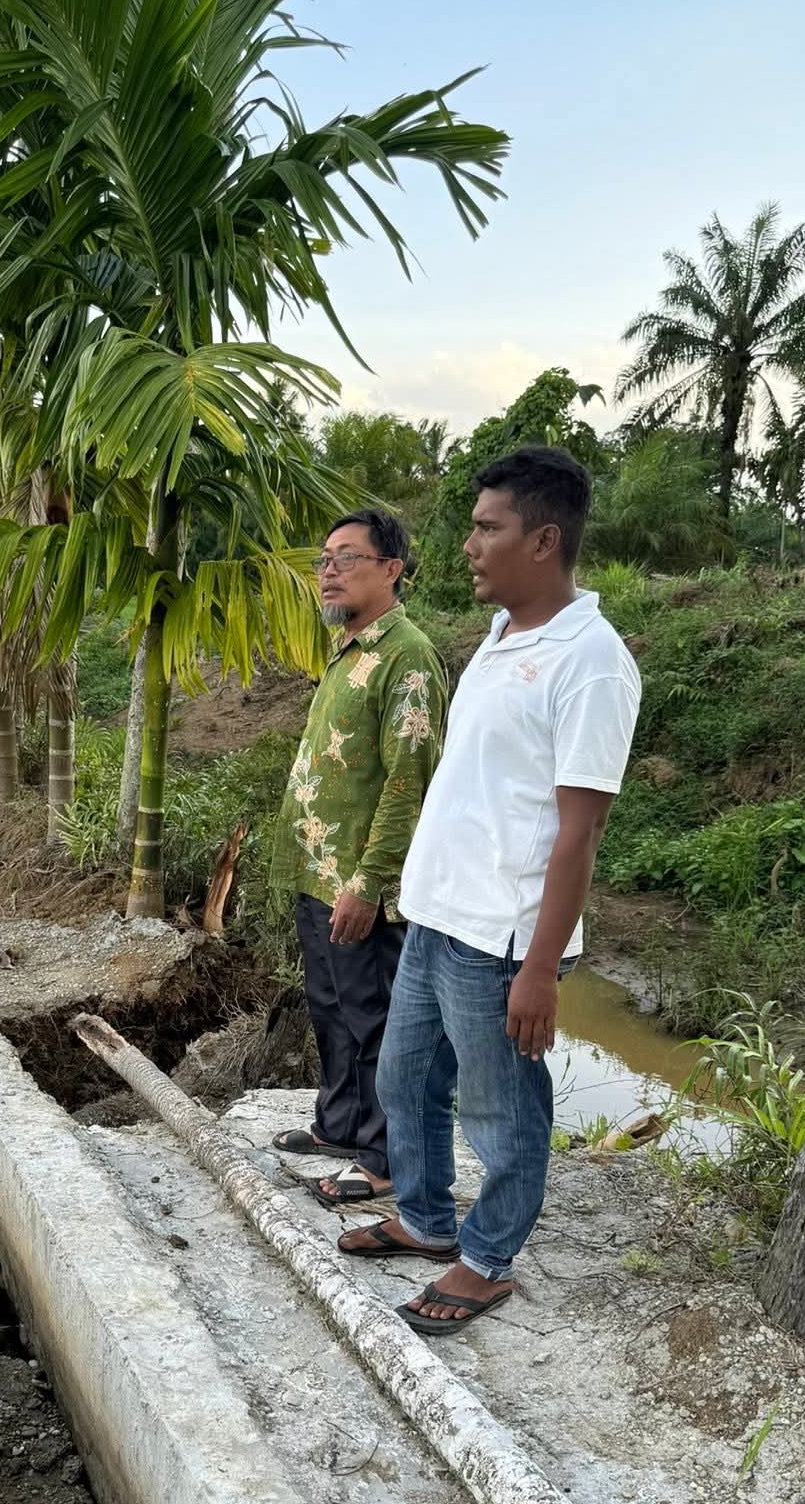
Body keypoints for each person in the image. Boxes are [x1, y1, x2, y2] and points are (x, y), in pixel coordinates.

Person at [338, 447, 641, 1330]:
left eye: (487, 527)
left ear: (542, 540)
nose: (468, 544)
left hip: (501, 935)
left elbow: (581, 829)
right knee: (404, 1080)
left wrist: (541, 968)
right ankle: (428, 1221)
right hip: (438, 915)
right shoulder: (503, 638)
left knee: (501, 1110)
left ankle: (488, 1256)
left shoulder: (591, 660)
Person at [268, 508, 448, 1206]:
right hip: (318, 872)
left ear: (392, 569)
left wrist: (369, 882)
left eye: (348, 558)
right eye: (325, 559)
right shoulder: (348, 650)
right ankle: (340, 1124)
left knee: (375, 1017)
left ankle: (382, 1157)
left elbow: (409, 780)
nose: (330, 570)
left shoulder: (407, 656)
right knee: (331, 1007)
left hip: (362, 884)